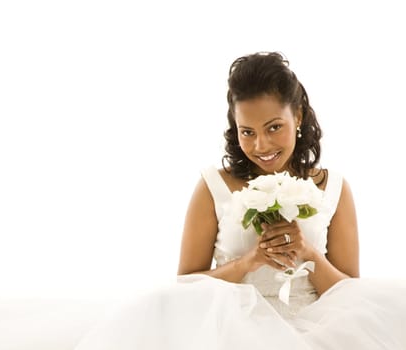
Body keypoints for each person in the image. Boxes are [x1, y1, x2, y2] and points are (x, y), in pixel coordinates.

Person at [73, 52, 406, 349]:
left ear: (299, 117)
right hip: (231, 332)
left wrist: (306, 252)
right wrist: (250, 261)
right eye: (247, 131)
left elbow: (351, 291)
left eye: (274, 127)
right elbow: (185, 285)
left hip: (319, 332)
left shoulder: (334, 187)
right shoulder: (212, 186)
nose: (261, 145)